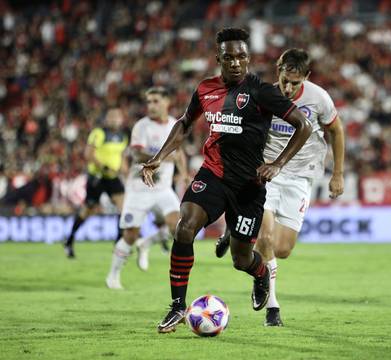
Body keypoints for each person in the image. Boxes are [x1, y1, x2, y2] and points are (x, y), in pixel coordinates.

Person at [141, 28, 312, 333]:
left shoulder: (261, 92)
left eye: (241, 56)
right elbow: (183, 123)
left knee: (241, 258)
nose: (235, 63)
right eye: (229, 57)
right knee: (185, 227)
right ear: (218, 58)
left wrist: (277, 163)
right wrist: (158, 157)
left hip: (248, 185)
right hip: (214, 173)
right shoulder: (205, 89)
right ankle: (178, 306)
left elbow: (303, 126)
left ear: (249, 58)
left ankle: (260, 274)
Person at [215, 48, 345, 326]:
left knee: (283, 249)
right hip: (268, 174)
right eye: (284, 80)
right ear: (279, 72)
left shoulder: (319, 98)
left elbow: (336, 130)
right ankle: (272, 307)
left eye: (295, 83)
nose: (287, 87)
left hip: (301, 177)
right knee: (266, 238)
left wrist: (338, 174)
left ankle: (236, 227)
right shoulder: (265, 97)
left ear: (306, 77)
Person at [106, 87, 189, 289]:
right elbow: (136, 155)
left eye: (155, 101)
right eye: (149, 102)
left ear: (167, 102)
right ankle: (113, 275)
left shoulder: (174, 125)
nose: (151, 106)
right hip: (139, 189)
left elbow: (180, 153)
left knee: (179, 227)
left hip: (162, 190)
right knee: (130, 235)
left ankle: (148, 243)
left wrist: (184, 174)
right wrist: (162, 158)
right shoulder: (141, 126)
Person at [64, 108, 128, 258]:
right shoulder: (98, 133)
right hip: (97, 176)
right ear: (106, 119)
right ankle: (69, 240)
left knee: (123, 207)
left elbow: (121, 157)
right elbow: (88, 154)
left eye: (117, 117)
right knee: (88, 210)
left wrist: (125, 171)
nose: (114, 120)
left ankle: (118, 244)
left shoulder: (123, 136)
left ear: (121, 119)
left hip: (112, 177)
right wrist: (104, 167)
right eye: (111, 117)